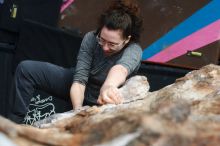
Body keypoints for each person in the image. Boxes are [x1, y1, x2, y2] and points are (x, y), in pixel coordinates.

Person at [7, 0, 143, 124]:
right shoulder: (91, 38)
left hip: (106, 99)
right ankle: (14, 125)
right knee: (26, 69)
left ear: (126, 40)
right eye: (102, 40)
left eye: (112, 44)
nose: (105, 47)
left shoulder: (134, 50)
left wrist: (108, 87)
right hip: (79, 87)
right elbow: (79, 80)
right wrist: (78, 112)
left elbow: (120, 69)